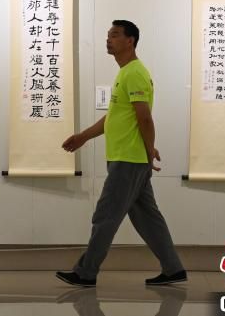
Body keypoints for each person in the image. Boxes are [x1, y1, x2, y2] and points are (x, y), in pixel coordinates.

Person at [55, 20, 186, 288]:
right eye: (108, 35)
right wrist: (83, 137)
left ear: (130, 41)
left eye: (114, 35)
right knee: (148, 218)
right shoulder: (125, 73)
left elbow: (145, 118)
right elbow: (115, 118)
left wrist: (148, 151)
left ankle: (86, 272)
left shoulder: (134, 73)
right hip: (128, 158)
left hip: (129, 161)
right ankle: (173, 269)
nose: (108, 39)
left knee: (105, 216)